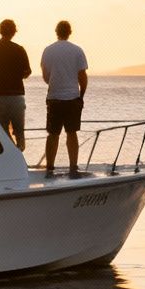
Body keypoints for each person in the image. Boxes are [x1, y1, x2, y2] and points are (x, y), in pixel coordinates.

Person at [39, 19, 88, 176]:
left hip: (54, 97)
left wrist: (54, 84)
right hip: (72, 97)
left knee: (53, 134)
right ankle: (73, 167)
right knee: (71, 133)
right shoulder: (77, 50)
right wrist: (81, 95)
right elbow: (82, 76)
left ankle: (50, 168)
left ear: (56, 32)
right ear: (70, 32)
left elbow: (46, 76)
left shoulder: (48, 51)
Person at [0, 19, 31, 153]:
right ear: (14, 32)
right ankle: (18, 152)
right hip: (16, 95)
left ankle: (11, 153)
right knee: (19, 132)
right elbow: (27, 72)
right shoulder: (19, 50)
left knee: (0, 133)